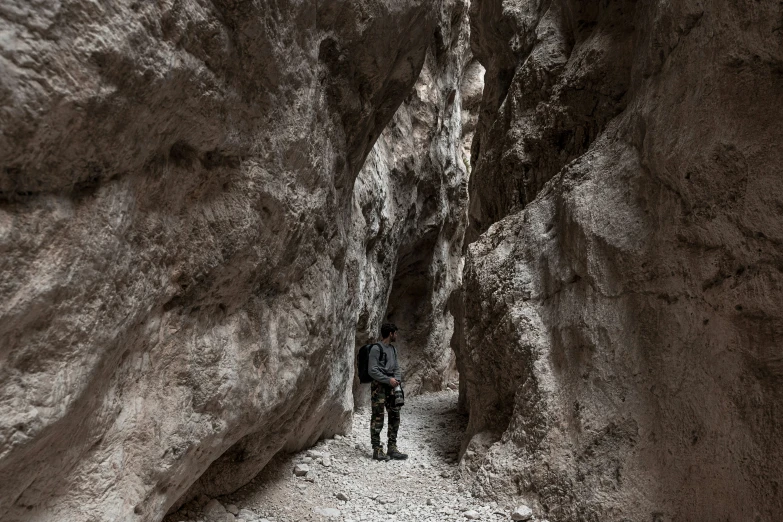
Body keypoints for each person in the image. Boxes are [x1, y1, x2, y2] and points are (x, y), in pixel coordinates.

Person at [368, 323, 408, 461]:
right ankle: (377, 449)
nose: (396, 336)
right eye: (395, 333)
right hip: (379, 387)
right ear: (390, 333)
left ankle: (392, 448)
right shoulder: (376, 349)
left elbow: (396, 367)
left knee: (395, 415)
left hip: (391, 386)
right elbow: (372, 370)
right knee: (378, 416)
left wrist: (397, 381)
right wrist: (387, 380)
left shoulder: (392, 349)